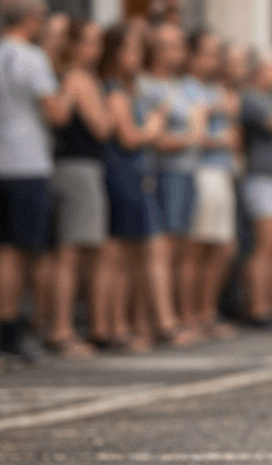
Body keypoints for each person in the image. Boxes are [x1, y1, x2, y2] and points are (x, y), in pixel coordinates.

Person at [0, 0, 73, 361]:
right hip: (27, 162)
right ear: (28, 19)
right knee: (25, 250)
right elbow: (56, 113)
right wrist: (70, 96)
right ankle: (16, 325)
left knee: (7, 250)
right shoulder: (31, 58)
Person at [97, 21, 170, 353]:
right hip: (122, 174)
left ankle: (128, 325)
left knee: (133, 255)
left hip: (137, 174)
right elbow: (128, 137)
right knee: (119, 255)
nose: (137, 56)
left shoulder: (131, 89)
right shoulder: (113, 89)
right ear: (115, 53)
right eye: (130, 49)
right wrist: (154, 127)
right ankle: (112, 327)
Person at [50, 19, 114, 357]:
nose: (96, 49)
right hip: (79, 169)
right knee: (72, 253)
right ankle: (62, 330)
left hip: (71, 167)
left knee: (75, 253)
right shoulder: (78, 78)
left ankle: (72, 327)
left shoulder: (65, 76)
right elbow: (102, 127)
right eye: (89, 41)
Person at [139, 21, 203, 346]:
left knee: (179, 248)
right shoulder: (146, 86)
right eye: (172, 45)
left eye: (180, 45)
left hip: (187, 170)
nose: (178, 52)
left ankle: (174, 315)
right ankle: (160, 321)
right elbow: (155, 136)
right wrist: (189, 137)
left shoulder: (183, 86)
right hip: (162, 172)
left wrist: (193, 136)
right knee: (159, 248)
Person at [185, 31, 240, 339]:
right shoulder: (188, 90)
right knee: (199, 246)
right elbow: (196, 134)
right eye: (208, 53)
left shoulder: (219, 90)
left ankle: (207, 311)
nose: (215, 60)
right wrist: (220, 136)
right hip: (202, 171)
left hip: (224, 170)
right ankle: (190, 313)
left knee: (223, 247)